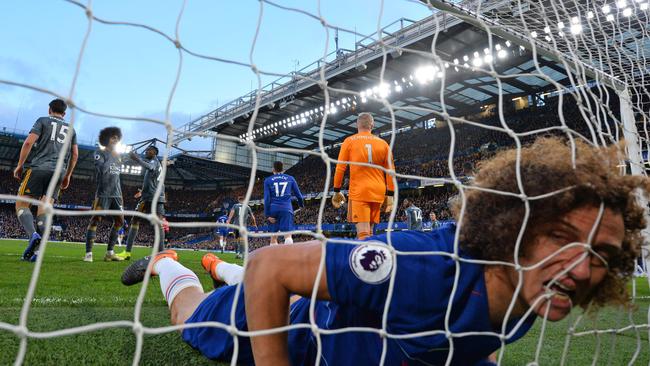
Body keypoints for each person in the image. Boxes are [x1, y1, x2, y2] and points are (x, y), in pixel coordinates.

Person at [121, 137, 648, 365]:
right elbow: (272, 264)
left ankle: (219, 267)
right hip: (287, 325)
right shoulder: (420, 269)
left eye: (601, 255)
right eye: (562, 238)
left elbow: (477, 340)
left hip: (316, 295)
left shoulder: (533, 295)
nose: (582, 269)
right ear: (515, 227)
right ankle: (174, 266)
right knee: (191, 319)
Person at [14, 98, 79, 261]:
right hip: (59, 172)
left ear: (49, 109)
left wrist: (20, 165)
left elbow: (29, 142)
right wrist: (68, 175)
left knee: (21, 204)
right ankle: (36, 253)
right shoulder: (71, 129)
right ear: (64, 114)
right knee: (44, 209)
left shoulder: (42, 120)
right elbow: (75, 154)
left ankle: (32, 235)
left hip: (39, 168)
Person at [331, 113, 395, 239]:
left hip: (359, 191)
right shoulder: (383, 144)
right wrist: (391, 193)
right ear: (372, 125)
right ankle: (374, 257)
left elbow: (340, 168)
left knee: (363, 233)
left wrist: (337, 190)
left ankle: (364, 257)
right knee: (371, 232)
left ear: (357, 125)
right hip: (378, 191)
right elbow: (391, 171)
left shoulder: (349, 141)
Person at [116, 145, 166, 260]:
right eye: (147, 150)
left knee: (156, 224)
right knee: (135, 221)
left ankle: (161, 253)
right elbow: (153, 182)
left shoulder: (154, 162)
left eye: (149, 150)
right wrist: (143, 191)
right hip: (149, 197)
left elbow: (150, 167)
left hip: (154, 198)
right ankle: (128, 252)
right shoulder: (155, 164)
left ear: (155, 152)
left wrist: (136, 159)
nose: (147, 151)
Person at [84, 127, 125, 262]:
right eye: (113, 137)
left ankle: (110, 252)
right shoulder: (99, 152)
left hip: (117, 194)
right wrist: (111, 156)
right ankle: (89, 253)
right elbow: (101, 169)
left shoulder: (118, 156)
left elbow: (117, 176)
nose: (115, 140)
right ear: (106, 139)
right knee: (95, 220)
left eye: (117, 138)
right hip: (103, 193)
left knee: (120, 221)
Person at [263, 161, 304, 245]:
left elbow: (267, 199)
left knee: (273, 236)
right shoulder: (290, 178)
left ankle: (273, 257)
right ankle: (288, 257)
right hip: (286, 209)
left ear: (273, 169)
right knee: (288, 235)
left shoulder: (268, 180)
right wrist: (301, 205)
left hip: (273, 209)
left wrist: (267, 215)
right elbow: (299, 196)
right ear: (283, 169)